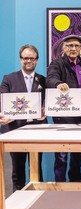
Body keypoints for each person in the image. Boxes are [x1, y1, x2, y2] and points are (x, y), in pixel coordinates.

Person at [0, 44, 46, 191]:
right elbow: (2, 101)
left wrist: (45, 111)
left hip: (37, 132)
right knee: (17, 171)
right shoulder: (9, 79)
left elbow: (48, 103)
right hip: (15, 130)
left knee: (36, 170)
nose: (28, 61)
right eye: (25, 58)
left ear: (37, 60)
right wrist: (2, 115)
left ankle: (39, 202)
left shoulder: (43, 80)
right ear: (21, 59)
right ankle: (16, 203)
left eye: (32, 58)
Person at [46, 35, 81, 182]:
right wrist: (58, 83)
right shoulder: (57, 63)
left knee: (78, 154)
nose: (73, 48)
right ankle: (60, 185)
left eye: (76, 46)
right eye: (70, 45)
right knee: (62, 155)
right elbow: (50, 78)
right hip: (64, 116)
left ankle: (75, 183)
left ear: (80, 48)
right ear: (64, 48)